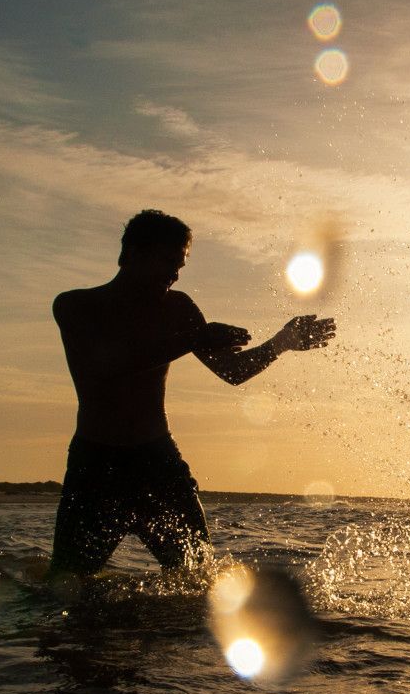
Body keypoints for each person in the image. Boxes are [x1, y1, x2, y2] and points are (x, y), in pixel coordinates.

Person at [47, 209, 336, 583]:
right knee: (67, 583)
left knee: (196, 579)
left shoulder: (178, 309)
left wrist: (282, 343)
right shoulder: (76, 306)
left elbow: (232, 372)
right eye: (168, 261)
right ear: (132, 254)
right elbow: (106, 366)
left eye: (180, 264)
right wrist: (192, 339)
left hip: (157, 461)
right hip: (95, 465)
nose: (175, 273)